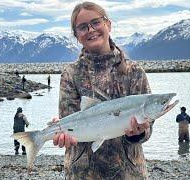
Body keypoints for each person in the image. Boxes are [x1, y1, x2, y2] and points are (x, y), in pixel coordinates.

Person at [52, 2, 152, 179]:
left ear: (108, 24)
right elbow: (68, 119)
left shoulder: (135, 72)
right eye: (83, 27)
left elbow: (148, 127)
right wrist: (62, 134)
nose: (91, 30)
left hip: (129, 174)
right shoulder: (70, 74)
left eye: (96, 22)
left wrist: (139, 133)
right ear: (77, 35)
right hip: (82, 173)